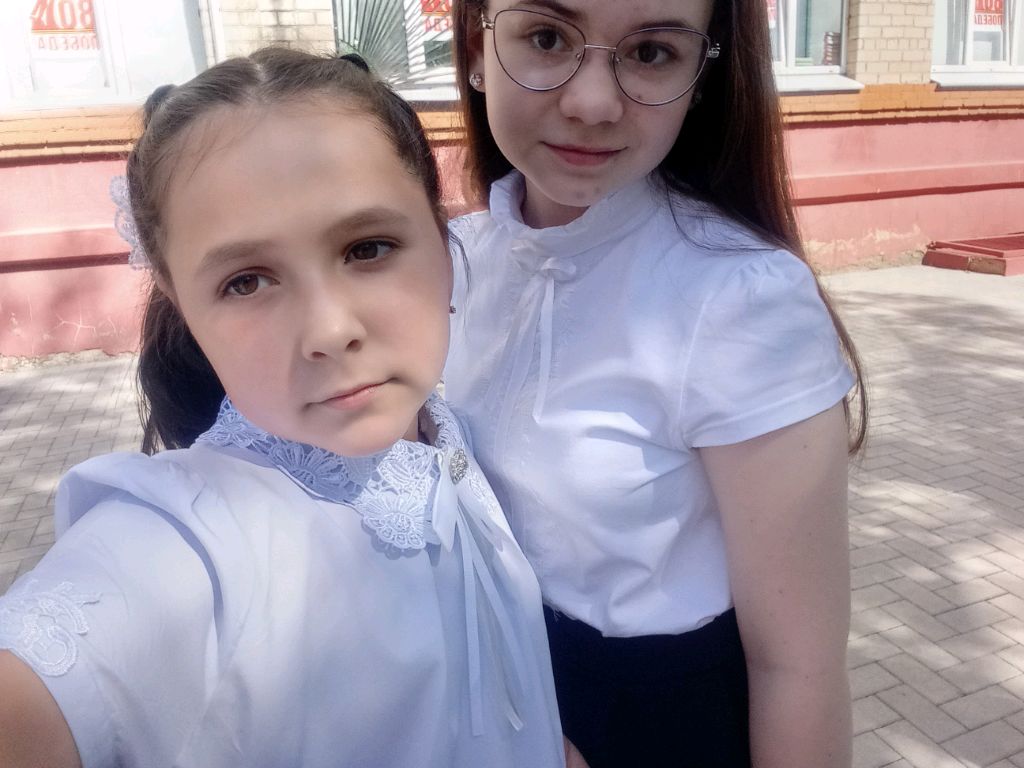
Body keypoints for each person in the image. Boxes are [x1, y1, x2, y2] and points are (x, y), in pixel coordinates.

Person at [0, 48, 567, 768]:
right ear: (181, 303)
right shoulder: (187, 541)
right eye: (246, 282)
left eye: (368, 248)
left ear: (442, 234)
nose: (330, 330)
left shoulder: (444, 437)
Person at [444, 1, 867, 766]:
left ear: (700, 77)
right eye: (547, 38)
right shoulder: (446, 262)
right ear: (478, 47)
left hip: (650, 727)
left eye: (650, 54)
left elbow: (797, 667)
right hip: (484, 704)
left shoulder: (741, 299)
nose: (593, 103)